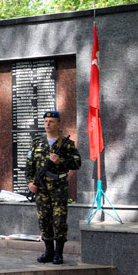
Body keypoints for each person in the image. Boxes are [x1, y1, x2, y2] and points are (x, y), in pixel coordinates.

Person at [26, 110, 81, 265]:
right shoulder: (37, 143)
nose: (47, 124)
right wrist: (30, 183)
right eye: (45, 122)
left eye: (51, 122)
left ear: (58, 124)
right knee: (44, 219)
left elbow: (77, 163)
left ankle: (58, 253)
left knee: (59, 220)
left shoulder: (67, 144)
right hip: (41, 188)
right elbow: (29, 165)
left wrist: (60, 161)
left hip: (58, 187)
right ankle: (48, 251)